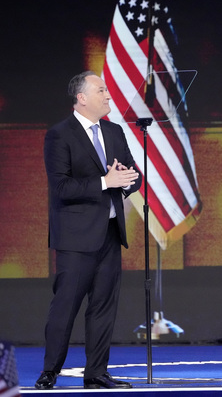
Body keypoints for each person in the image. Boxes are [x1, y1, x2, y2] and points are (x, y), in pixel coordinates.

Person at [35, 71, 141, 390]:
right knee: (65, 306)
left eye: (107, 90)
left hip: (110, 233)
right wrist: (105, 182)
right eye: (101, 90)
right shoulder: (59, 134)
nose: (108, 95)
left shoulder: (114, 131)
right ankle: (50, 371)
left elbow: (133, 176)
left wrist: (126, 180)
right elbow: (61, 187)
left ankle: (96, 373)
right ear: (81, 98)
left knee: (103, 307)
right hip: (75, 238)